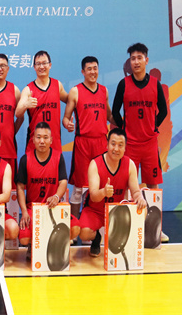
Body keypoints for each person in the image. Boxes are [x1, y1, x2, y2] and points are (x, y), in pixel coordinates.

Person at [111, 43, 169, 241]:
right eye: (133, 58)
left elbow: (163, 111)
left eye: (139, 58)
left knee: (153, 185)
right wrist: (124, 131)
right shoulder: (123, 84)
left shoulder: (155, 84)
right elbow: (115, 111)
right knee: (128, 185)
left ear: (146, 60)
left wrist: (153, 126)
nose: (136, 62)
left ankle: (155, 230)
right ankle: (127, 229)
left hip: (150, 143)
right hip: (130, 145)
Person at [71, 128, 147, 257]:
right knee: (84, 233)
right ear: (107, 145)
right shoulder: (95, 164)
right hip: (95, 210)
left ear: (125, 148)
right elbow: (93, 196)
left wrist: (139, 197)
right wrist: (104, 192)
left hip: (117, 211)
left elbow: (135, 191)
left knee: (142, 209)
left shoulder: (130, 165)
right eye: (113, 144)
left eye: (120, 145)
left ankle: (124, 241)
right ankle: (96, 238)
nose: (116, 149)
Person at [62, 56, 112, 222]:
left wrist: (124, 123)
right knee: (79, 187)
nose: (92, 72)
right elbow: (65, 118)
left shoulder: (104, 91)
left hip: (101, 143)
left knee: (101, 185)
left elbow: (109, 115)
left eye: (95, 68)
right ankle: (74, 224)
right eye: (89, 69)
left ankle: (99, 224)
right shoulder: (75, 91)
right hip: (83, 144)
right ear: (83, 72)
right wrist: (68, 124)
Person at [16, 122, 69, 247]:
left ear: (51, 140)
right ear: (33, 140)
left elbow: (63, 182)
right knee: (24, 239)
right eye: (38, 137)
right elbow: (20, 187)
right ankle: (33, 247)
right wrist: (24, 211)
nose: (42, 141)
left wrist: (56, 196)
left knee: (75, 228)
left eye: (45, 137)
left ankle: (53, 248)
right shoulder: (25, 159)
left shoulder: (58, 157)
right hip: (32, 208)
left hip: (53, 207)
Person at [15, 50, 70, 153]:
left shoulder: (57, 85)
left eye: (44, 63)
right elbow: (18, 113)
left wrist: (67, 118)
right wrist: (26, 104)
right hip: (34, 143)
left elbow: (70, 101)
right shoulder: (28, 89)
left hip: (54, 142)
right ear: (34, 67)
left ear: (50, 65)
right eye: (38, 64)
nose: (41, 66)